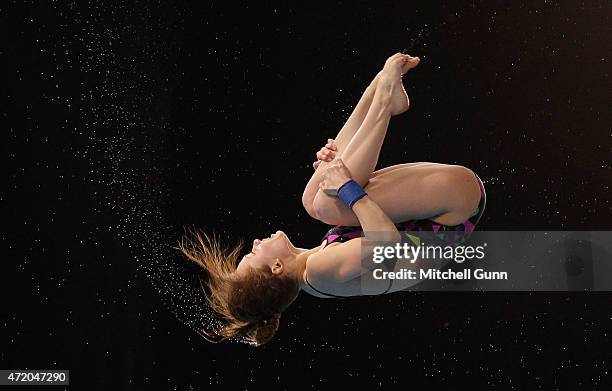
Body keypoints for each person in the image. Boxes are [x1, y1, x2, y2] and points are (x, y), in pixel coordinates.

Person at [179, 53, 486, 346]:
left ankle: (377, 89)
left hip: (446, 205)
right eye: (254, 252)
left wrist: (337, 163)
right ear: (275, 267)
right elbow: (387, 244)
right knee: (328, 201)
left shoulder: (314, 265)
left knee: (315, 199)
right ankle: (383, 100)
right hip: (453, 210)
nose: (256, 242)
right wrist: (345, 185)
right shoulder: (319, 272)